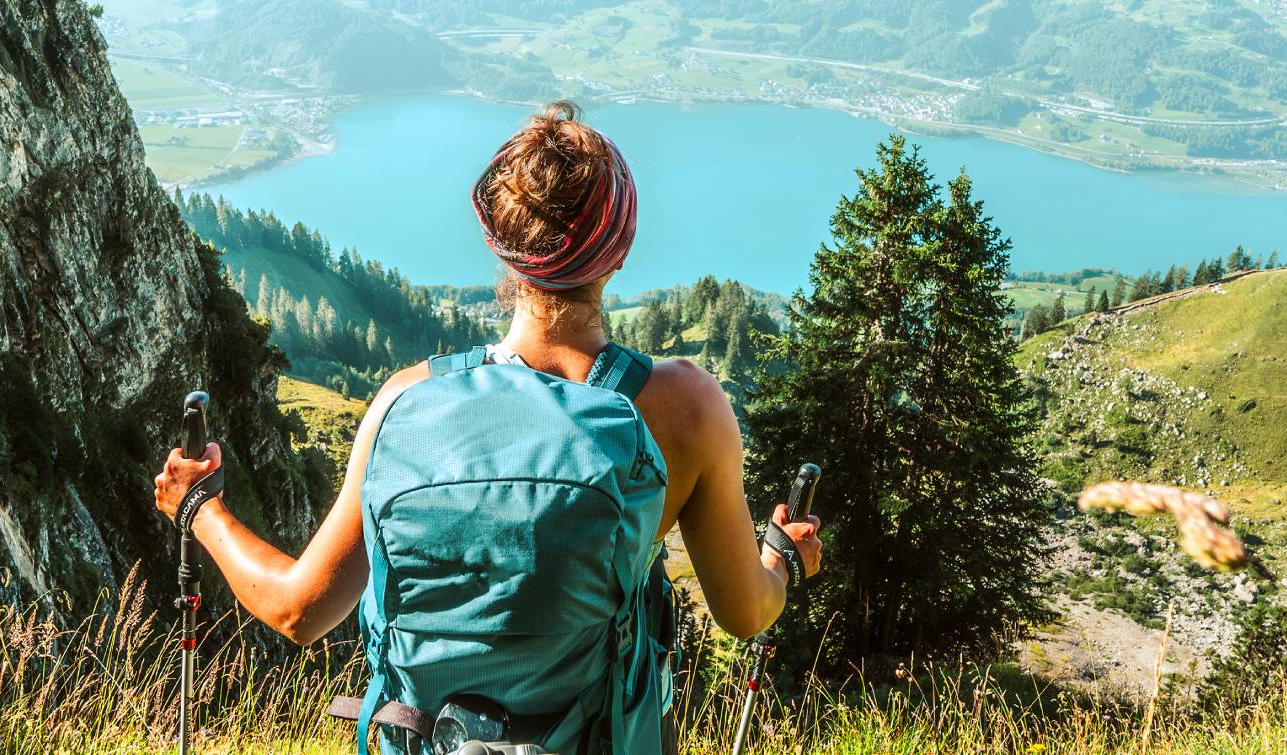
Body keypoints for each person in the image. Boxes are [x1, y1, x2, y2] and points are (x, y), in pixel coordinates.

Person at [153, 101, 822, 754]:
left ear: (503, 252)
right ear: (619, 253)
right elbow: (745, 611)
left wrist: (199, 509)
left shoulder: (403, 405)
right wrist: (782, 556)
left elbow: (297, 609)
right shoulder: (686, 408)